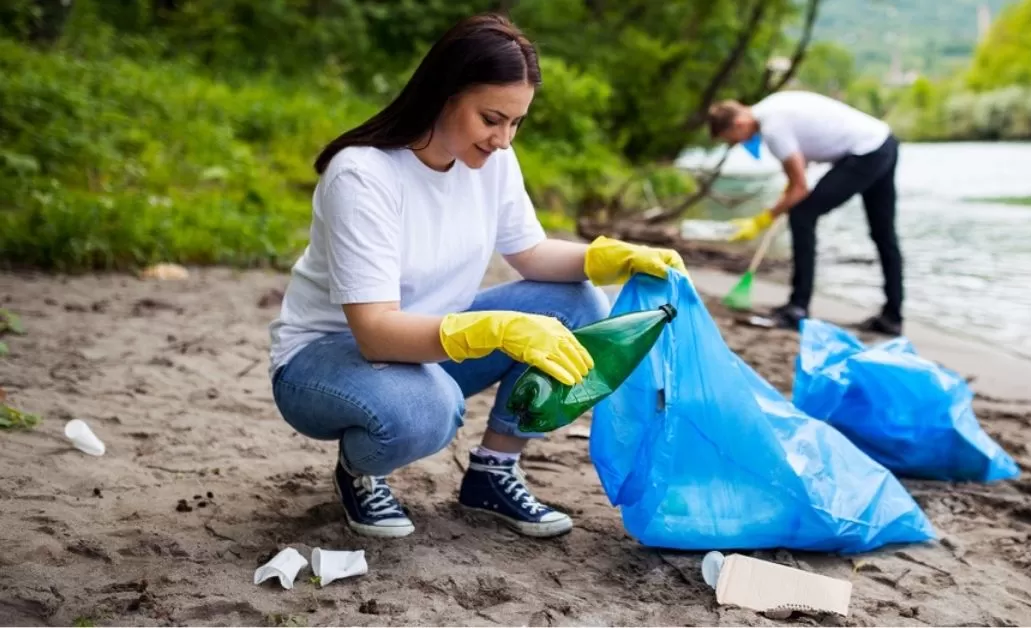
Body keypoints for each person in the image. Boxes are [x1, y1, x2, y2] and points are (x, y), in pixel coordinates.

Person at [266, 12, 686, 540]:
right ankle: (360, 471)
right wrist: (497, 329)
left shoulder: (491, 162)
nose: (503, 140)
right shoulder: (363, 174)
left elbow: (530, 253)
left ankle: (492, 471)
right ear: (444, 93)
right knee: (428, 409)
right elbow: (374, 332)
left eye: (516, 123)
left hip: (431, 344)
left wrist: (612, 257)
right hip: (329, 359)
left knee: (578, 305)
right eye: (492, 118)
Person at [707, 90, 904, 335]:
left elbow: (799, 188)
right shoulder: (772, 106)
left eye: (732, 138)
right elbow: (797, 176)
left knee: (802, 215)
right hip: (884, 142)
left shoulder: (772, 128)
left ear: (739, 123)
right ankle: (892, 317)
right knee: (883, 233)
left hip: (865, 153)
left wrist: (763, 219)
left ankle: (798, 308)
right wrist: (786, 198)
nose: (738, 143)